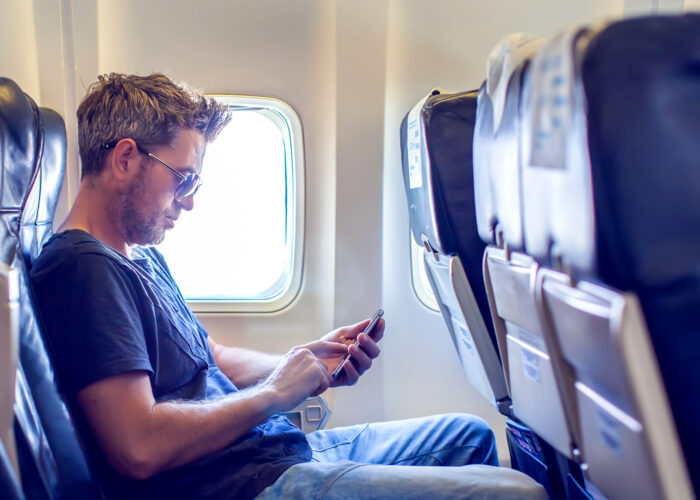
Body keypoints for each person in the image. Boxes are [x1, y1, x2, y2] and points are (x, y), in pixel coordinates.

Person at [30, 73, 545, 500]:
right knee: (515, 494)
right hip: (239, 485)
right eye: (182, 178)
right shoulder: (83, 271)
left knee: (468, 435)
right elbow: (138, 446)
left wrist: (307, 364)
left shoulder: (140, 257)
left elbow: (210, 356)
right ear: (124, 159)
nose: (189, 201)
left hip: (269, 451)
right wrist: (278, 393)